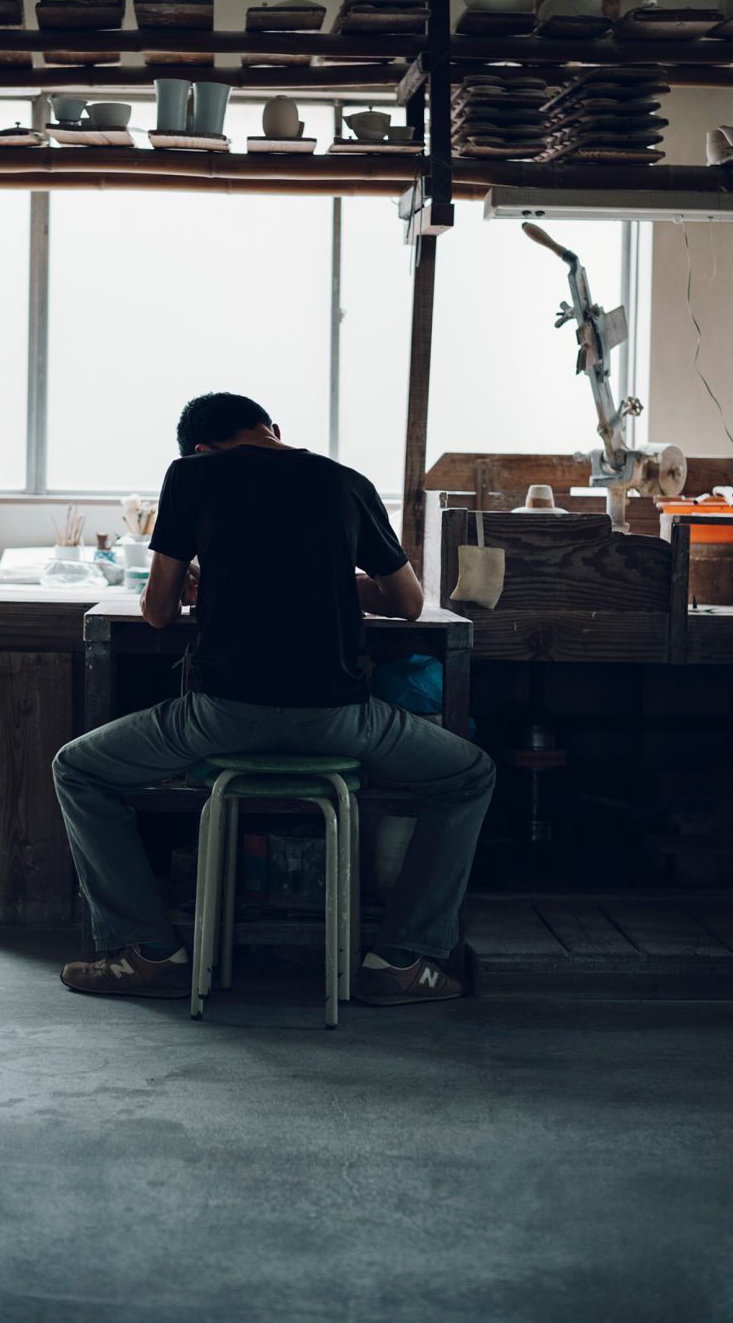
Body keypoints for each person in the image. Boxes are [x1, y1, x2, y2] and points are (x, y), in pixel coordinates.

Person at [53, 392, 494, 1005]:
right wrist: (336, 585)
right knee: (469, 774)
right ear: (273, 431)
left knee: (77, 769)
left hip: (220, 720)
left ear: (202, 448)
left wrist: (203, 585)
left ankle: (148, 951)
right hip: (341, 723)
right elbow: (409, 604)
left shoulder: (190, 475)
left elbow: (156, 612)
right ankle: (399, 961)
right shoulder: (348, 483)